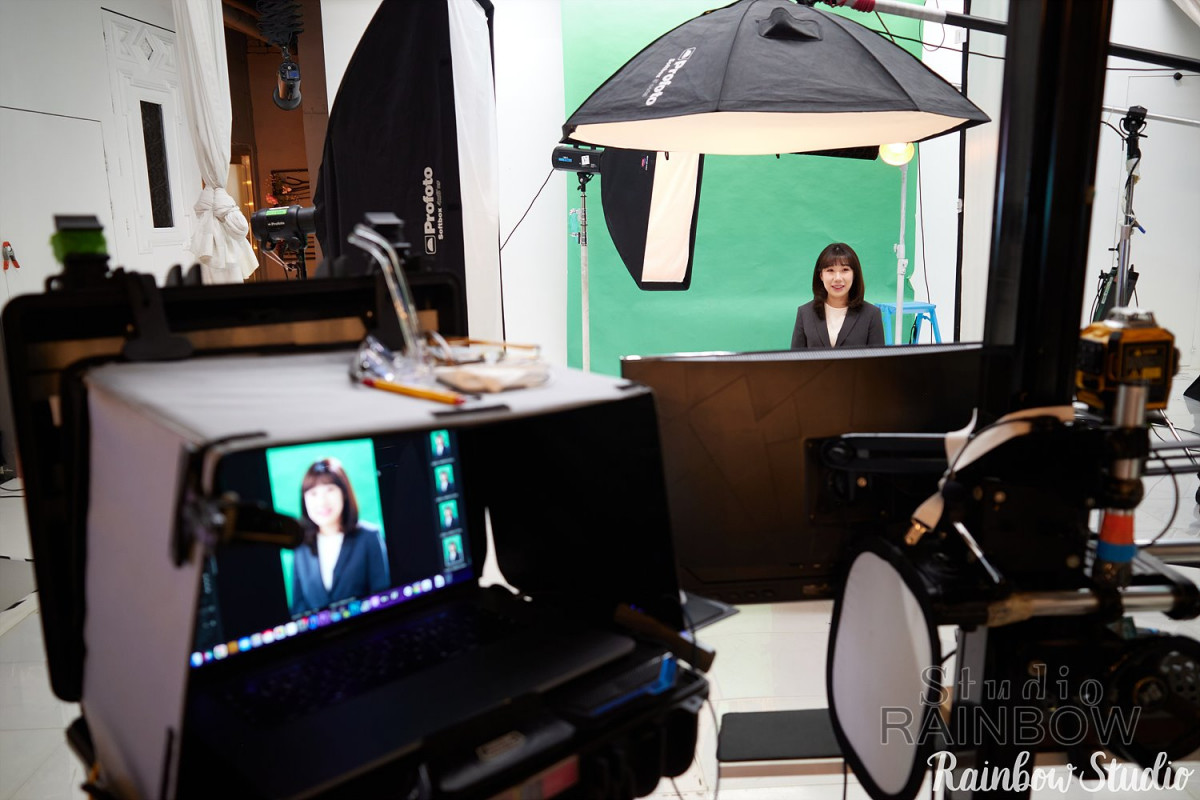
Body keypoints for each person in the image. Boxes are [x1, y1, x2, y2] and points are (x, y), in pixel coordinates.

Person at [291, 458, 390, 616]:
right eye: (313, 493)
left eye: (330, 489)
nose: (322, 501)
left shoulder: (369, 537)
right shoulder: (300, 546)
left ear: (343, 493)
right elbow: (298, 608)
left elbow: (383, 598)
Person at [790, 242, 885, 349]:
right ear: (821, 275)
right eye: (830, 270)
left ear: (854, 274)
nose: (838, 278)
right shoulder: (805, 313)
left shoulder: (871, 314)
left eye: (845, 270)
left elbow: (878, 359)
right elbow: (796, 358)